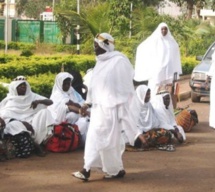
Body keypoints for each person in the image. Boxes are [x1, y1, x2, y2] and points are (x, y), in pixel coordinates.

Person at [72, 32, 147, 181]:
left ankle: (87, 170)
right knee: (102, 140)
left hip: (112, 109)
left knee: (104, 140)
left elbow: (123, 87)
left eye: (96, 46)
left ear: (104, 45)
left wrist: (120, 107)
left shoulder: (119, 61)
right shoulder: (100, 62)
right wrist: (87, 103)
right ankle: (115, 169)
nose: (94, 49)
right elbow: (95, 85)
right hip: (98, 109)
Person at [0, 76, 55, 157]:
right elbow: (4, 117)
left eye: (24, 85)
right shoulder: (9, 101)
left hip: (33, 121)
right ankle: (35, 145)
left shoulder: (32, 96)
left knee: (45, 112)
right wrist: (23, 123)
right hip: (19, 125)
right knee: (14, 125)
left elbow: (50, 102)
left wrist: (39, 101)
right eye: (20, 86)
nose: (23, 87)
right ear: (14, 88)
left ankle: (43, 141)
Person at [134, 22, 182, 98]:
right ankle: (154, 104)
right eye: (162, 29)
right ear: (159, 30)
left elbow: (175, 54)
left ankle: (166, 106)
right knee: (155, 88)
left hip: (169, 70)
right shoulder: (155, 40)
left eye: (165, 29)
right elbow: (143, 47)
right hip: (158, 70)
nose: (164, 31)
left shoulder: (171, 41)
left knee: (167, 90)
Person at [49, 72, 89, 146]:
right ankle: (71, 136)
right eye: (65, 84)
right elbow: (68, 107)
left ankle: (81, 139)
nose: (67, 86)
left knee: (85, 118)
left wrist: (76, 105)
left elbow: (81, 101)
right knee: (72, 115)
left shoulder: (71, 90)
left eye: (69, 83)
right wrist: (82, 111)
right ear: (60, 84)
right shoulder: (57, 94)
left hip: (76, 111)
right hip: (61, 118)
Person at [134, 85, 174, 151]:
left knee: (166, 134)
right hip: (137, 134)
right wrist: (142, 138)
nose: (148, 97)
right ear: (141, 95)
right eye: (146, 95)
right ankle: (143, 142)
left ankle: (148, 141)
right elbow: (132, 126)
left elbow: (156, 122)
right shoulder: (134, 107)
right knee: (137, 140)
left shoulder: (149, 105)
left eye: (149, 95)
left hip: (148, 132)